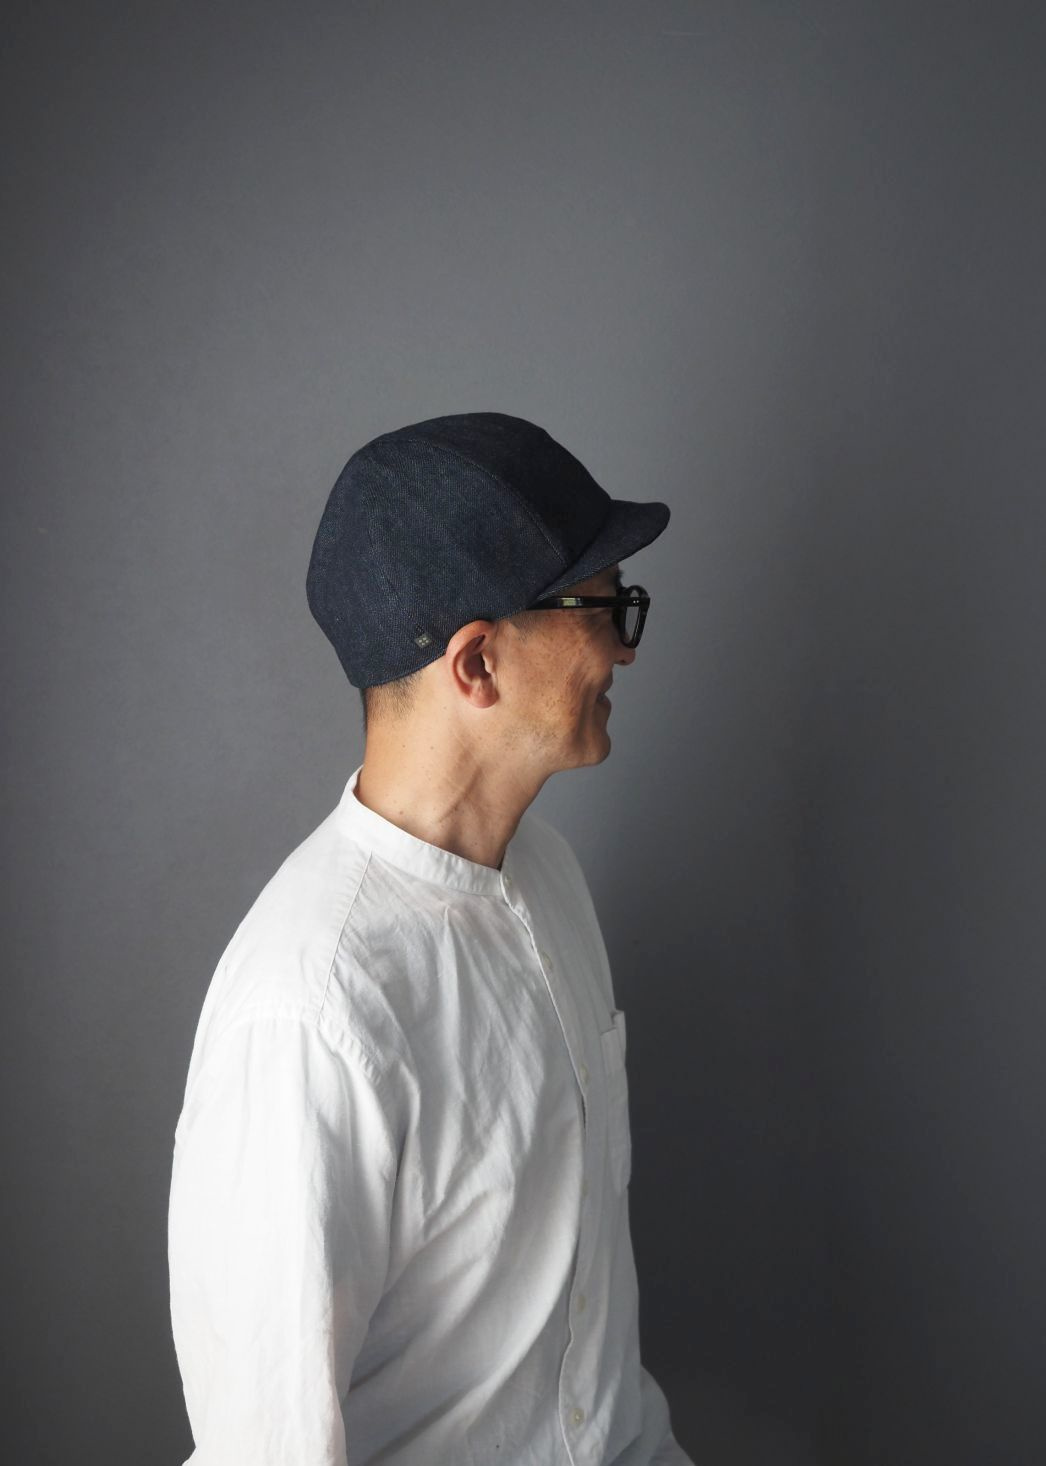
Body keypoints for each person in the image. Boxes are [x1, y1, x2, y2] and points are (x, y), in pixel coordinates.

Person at [167, 411, 693, 1465]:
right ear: (477, 664)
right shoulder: (310, 1012)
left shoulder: (549, 879)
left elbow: (589, 1370)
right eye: (602, 607)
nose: (625, 647)